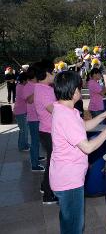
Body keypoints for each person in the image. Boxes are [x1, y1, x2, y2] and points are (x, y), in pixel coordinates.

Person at [50, 71, 106, 234]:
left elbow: (84, 127)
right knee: (74, 227)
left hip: (64, 176)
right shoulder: (65, 116)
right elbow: (87, 147)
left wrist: (104, 115)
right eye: (79, 88)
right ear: (74, 92)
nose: (81, 91)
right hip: (69, 181)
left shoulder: (65, 109)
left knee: (68, 221)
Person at [34, 59, 58, 204]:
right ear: (47, 73)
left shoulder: (40, 87)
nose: (54, 74)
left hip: (46, 130)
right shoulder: (45, 90)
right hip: (49, 131)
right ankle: (48, 196)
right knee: (53, 164)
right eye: (53, 71)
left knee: (51, 161)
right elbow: (53, 110)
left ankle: (44, 186)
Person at [23, 65, 46, 172]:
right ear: (33, 76)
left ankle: (36, 157)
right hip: (33, 119)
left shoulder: (35, 84)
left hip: (39, 117)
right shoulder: (28, 86)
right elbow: (29, 100)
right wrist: (37, 89)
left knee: (38, 140)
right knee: (35, 141)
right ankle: (34, 164)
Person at [14, 72, 30, 151]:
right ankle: (22, 146)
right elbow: (26, 98)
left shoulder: (20, 86)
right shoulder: (21, 87)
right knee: (24, 130)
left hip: (20, 111)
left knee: (23, 129)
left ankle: (24, 144)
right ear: (24, 80)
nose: (28, 81)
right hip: (20, 112)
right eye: (27, 79)